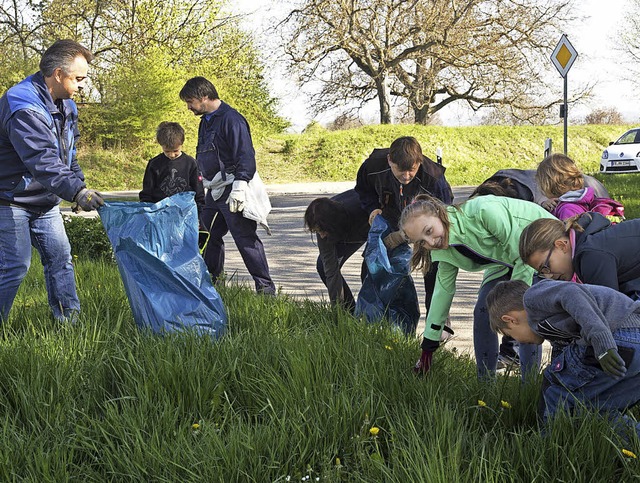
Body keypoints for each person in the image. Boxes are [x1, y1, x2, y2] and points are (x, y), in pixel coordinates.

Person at [399, 194, 556, 379]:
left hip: (541, 250)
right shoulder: (444, 251)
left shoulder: (483, 211)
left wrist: (518, 303)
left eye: (429, 230)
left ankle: (529, 383)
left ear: (439, 213)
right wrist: (428, 348)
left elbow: (521, 254)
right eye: (422, 241)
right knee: (483, 310)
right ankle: (485, 383)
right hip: (504, 262)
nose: (431, 242)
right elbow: (442, 293)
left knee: (523, 313)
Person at [0, 39, 103, 323]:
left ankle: (68, 322)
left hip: (45, 201)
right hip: (10, 200)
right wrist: (76, 191)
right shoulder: (22, 104)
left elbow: (68, 154)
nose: (83, 85)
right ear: (58, 74)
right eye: (78, 79)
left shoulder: (67, 106)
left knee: (60, 260)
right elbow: (42, 161)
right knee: (14, 266)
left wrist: (79, 185)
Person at [487, 278, 640, 438]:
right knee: (598, 411)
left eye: (510, 335)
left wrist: (602, 342)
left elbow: (571, 292)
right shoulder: (552, 323)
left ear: (510, 319)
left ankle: (547, 444)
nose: (518, 341)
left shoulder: (532, 298)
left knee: (555, 386)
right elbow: (562, 355)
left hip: (616, 336)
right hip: (632, 347)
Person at [179, 76, 275, 295]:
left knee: (245, 239)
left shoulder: (232, 120)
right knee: (209, 235)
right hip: (215, 190)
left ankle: (266, 289)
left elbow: (246, 155)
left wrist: (240, 187)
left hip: (234, 189)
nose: (188, 107)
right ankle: (213, 284)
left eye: (191, 101)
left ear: (204, 97)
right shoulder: (206, 121)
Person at [354, 136, 453, 317]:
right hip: (390, 217)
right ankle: (375, 318)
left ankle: (437, 324)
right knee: (372, 263)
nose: (406, 176)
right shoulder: (372, 166)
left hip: (426, 227)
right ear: (390, 160)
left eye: (412, 170)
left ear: (419, 162)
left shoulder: (434, 178)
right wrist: (372, 208)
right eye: (401, 170)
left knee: (433, 271)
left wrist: (412, 236)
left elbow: (446, 210)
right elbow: (363, 190)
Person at [519, 213, 640, 300]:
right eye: (542, 273)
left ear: (561, 245)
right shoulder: (587, 241)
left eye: (546, 267)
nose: (549, 276)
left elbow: (612, 309)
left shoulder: (591, 256)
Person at [304, 189, 370, 312]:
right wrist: (338, 310)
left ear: (332, 225)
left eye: (322, 231)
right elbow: (330, 270)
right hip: (345, 233)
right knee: (323, 266)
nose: (321, 236)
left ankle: (374, 317)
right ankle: (348, 314)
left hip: (373, 225)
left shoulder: (362, 207)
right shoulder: (320, 221)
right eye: (317, 231)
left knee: (370, 269)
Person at [139, 121, 205, 217]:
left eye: (175, 151)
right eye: (167, 151)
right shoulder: (154, 164)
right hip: (160, 214)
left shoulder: (191, 163)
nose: (171, 155)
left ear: (182, 143)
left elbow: (198, 192)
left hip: (184, 214)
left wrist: (198, 214)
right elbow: (147, 192)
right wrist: (149, 211)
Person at [535, 153, 612, 218]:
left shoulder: (568, 210)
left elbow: (572, 235)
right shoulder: (569, 202)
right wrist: (545, 206)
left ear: (548, 184)